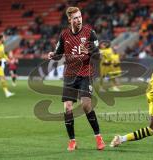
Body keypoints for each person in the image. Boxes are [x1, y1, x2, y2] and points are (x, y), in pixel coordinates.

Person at [48, 7, 105, 151]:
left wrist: (90, 51)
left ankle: (98, 137)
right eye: (75, 18)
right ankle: (72, 140)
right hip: (70, 75)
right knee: (67, 108)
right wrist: (52, 55)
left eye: (79, 17)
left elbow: (99, 54)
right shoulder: (64, 35)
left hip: (86, 73)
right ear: (69, 20)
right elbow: (58, 53)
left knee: (86, 105)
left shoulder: (90, 33)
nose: (78, 20)